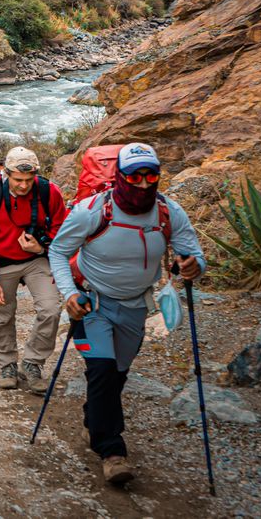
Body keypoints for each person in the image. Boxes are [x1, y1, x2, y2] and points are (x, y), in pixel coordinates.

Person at [48, 143, 205, 485]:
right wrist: (70, 294)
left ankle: (96, 414)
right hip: (92, 305)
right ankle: (111, 450)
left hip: (136, 307)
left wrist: (192, 266)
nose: (144, 184)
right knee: (102, 369)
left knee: (117, 373)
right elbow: (58, 251)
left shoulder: (168, 212)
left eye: (151, 176)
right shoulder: (92, 211)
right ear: (120, 176)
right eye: (135, 176)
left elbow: (192, 253)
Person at [0, 146, 66, 394]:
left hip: (36, 259)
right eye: (18, 180)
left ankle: (33, 362)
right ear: (5, 173)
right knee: (4, 315)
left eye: (29, 180)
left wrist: (42, 246)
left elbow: (62, 227)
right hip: (2, 261)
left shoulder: (48, 191)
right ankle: (7, 365)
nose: (24, 186)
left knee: (51, 309)